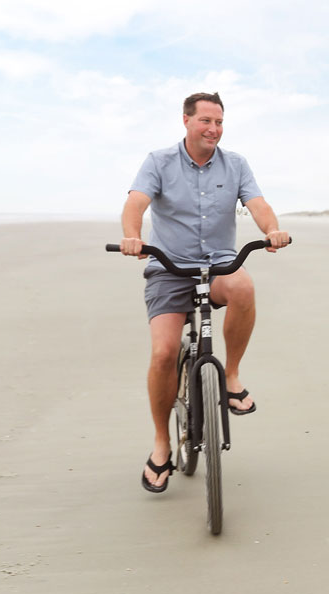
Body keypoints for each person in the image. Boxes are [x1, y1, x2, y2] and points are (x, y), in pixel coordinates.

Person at [118, 92, 290, 493]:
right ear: (186, 121)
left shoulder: (236, 165)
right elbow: (136, 204)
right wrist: (131, 237)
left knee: (244, 286)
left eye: (219, 121)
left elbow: (258, 204)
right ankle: (162, 444)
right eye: (205, 121)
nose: (213, 129)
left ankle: (230, 377)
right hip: (169, 268)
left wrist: (272, 230)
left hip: (219, 266)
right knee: (163, 353)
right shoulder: (158, 161)